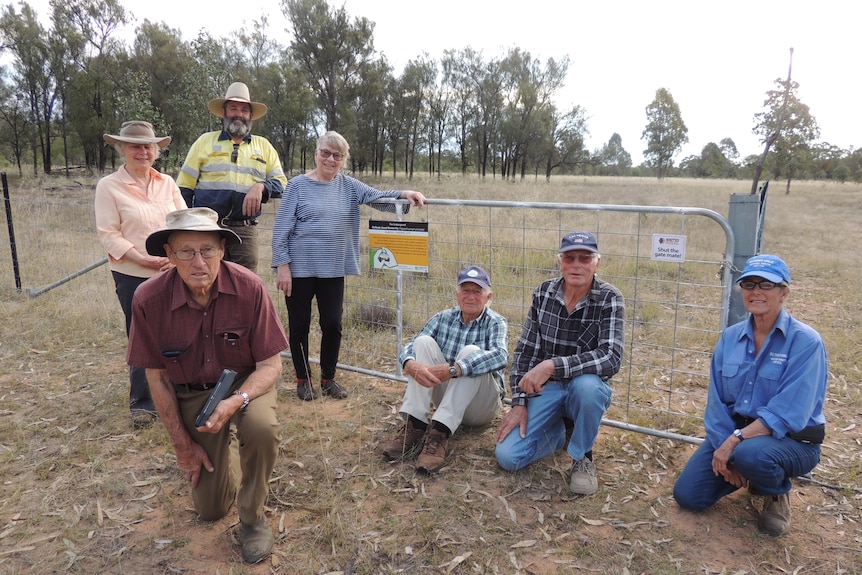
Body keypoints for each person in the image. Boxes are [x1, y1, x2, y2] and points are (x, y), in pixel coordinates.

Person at [127, 207, 288, 564]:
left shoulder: (250, 288)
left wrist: (235, 402)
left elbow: (270, 365)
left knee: (261, 427)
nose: (198, 262)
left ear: (223, 250)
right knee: (211, 510)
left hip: (246, 384)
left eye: (208, 250)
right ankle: (221, 446)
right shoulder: (148, 300)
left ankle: (253, 519)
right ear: (168, 254)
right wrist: (184, 447)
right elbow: (158, 378)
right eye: (186, 251)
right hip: (192, 391)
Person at [673, 254, 827, 536]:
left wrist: (734, 443)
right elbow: (717, 402)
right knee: (689, 496)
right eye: (749, 284)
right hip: (738, 434)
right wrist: (724, 447)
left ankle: (775, 492)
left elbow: (788, 413)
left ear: (784, 292)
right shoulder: (730, 337)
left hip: (791, 441)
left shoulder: (806, 342)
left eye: (766, 284)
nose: (756, 291)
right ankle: (745, 468)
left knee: (751, 455)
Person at [272, 130, 426, 401]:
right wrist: (282, 266)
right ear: (316, 153)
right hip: (299, 269)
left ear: (343, 160)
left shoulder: (350, 186)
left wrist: (405, 193)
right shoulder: (296, 186)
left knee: (332, 323)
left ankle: (328, 377)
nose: (330, 159)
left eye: (337, 155)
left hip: (333, 267)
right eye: (326, 153)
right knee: (299, 324)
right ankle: (303, 378)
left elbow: (379, 197)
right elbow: (281, 229)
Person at [495, 231, 625, 495]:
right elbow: (526, 352)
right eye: (570, 257)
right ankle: (559, 434)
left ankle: (582, 457)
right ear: (560, 261)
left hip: (583, 388)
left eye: (585, 258)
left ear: (596, 263)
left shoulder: (610, 297)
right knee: (508, 457)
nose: (577, 264)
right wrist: (519, 403)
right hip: (548, 389)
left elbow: (611, 357)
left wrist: (552, 365)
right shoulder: (544, 293)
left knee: (587, 388)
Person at [95, 121, 186, 429]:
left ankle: (179, 393)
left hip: (171, 270)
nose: (143, 151)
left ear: (156, 151)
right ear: (122, 149)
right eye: (135, 146)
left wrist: (176, 257)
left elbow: (182, 222)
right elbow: (110, 234)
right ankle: (143, 404)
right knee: (141, 335)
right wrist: (143, 260)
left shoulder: (167, 183)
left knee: (177, 330)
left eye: (148, 146)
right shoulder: (109, 186)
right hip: (132, 273)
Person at [382, 265, 509, 473]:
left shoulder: (495, 322)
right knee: (423, 342)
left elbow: (501, 356)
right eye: (465, 290)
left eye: (477, 291)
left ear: (488, 297)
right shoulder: (443, 317)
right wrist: (409, 363)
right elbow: (412, 344)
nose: (470, 296)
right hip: (448, 399)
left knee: (471, 352)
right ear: (457, 295)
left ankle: (439, 433)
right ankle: (416, 426)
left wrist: (456, 369)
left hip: (480, 408)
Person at [176, 82, 287, 273]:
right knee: (205, 282)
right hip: (207, 228)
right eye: (233, 108)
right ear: (223, 112)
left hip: (245, 230)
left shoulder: (264, 146)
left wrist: (261, 187)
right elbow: (184, 189)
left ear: (251, 116)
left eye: (244, 110)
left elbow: (282, 184)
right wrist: (186, 229)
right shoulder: (204, 142)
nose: (239, 114)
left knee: (245, 286)